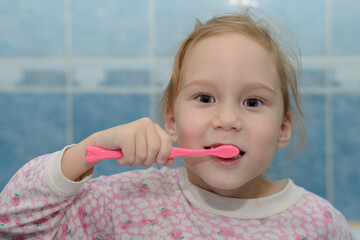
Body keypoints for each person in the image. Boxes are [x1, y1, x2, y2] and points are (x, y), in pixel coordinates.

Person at [0, 9, 354, 239]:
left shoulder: (319, 225)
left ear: (283, 129)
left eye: (252, 102)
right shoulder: (127, 204)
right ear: (172, 121)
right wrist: (86, 151)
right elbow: (11, 222)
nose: (228, 120)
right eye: (204, 98)